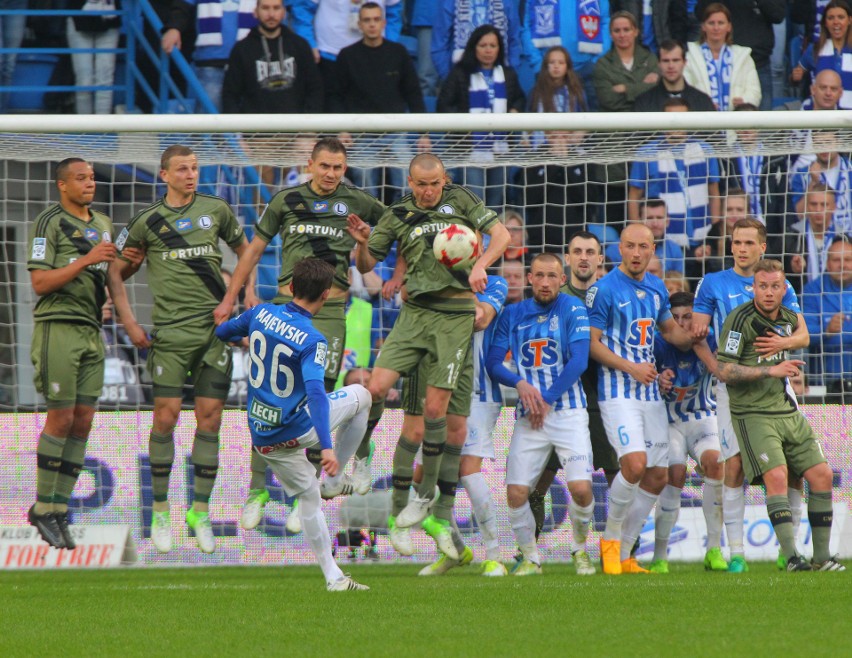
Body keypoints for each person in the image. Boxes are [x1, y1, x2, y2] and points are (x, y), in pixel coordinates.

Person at [213, 137, 386, 528]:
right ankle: (258, 490)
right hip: (283, 305)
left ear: (345, 168)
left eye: (338, 168)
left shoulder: (359, 202)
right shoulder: (286, 200)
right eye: (324, 166)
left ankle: (307, 491)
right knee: (270, 398)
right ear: (310, 163)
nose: (330, 174)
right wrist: (233, 296)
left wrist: (366, 249)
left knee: (316, 399)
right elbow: (253, 250)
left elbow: (377, 250)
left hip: (330, 309)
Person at [347, 153, 510, 558]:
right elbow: (370, 262)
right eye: (420, 184)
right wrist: (364, 243)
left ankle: (426, 501)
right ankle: (363, 459)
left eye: (434, 183)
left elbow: (503, 236)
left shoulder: (463, 200)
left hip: (455, 315)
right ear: (409, 181)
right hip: (415, 313)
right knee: (375, 388)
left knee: (442, 417)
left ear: (444, 179)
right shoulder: (399, 211)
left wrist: (481, 266)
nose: (428, 191)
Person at [111, 144, 250, 554]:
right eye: (182, 169)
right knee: (166, 419)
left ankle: (200, 510)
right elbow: (116, 273)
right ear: (164, 174)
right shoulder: (145, 222)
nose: (190, 175)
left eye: (194, 168)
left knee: (210, 420)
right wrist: (130, 322)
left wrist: (240, 299)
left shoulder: (217, 210)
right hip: (170, 335)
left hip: (213, 332)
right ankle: (158, 509)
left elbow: (246, 252)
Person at [216, 257, 372, 590]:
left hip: (264, 437)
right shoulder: (312, 339)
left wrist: (245, 337)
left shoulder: (261, 313)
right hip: (301, 427)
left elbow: (222, 331)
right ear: (328, 294)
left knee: (308, 498)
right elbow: (317, 394)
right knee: (363, 395)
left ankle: (334, 578)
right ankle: (336, 478)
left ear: (290, 286)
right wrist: (327, 449)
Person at [26, 158, 138, 549]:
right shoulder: (48, 223)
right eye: (81, 178)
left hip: (92, 331)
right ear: (62, 185)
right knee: (60, 417)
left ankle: (59, 508)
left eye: (92, 177)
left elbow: (113, 282)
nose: (89, 183)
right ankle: (42, 507)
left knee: (84, 421)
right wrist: (85, 259)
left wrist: (131, 325)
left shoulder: (103, 224)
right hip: (58, 327)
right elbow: (40, 282)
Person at [691, 217, 809, 573]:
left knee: (793, 467)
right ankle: (735, 552)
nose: (741, 249)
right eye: (736, 243)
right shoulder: (712, 283)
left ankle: (789, 549)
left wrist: (783, 344)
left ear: (763, 247)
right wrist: (718, 369)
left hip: (776, 384)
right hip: (736, 388)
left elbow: (802, 335)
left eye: (748, 243)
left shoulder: (777, 283)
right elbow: (698, 334)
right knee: (734, 464)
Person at [716, 259, 845, 572]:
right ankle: (790, 558)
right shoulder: (739, 319)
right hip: (753, 414)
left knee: (822, 475)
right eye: (763, 286)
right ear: (754, 287)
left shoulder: (788, 318)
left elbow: (805, 334)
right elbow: (724, 370)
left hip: (785, 409)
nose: (769, 292)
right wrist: (769, 370)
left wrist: (789, 342)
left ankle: (821, 558)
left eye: (775, 286)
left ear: (784, 287)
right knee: (776, 476)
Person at [586, 223, 696, 575]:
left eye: (643, 247)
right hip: (617, 392)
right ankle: (610, 540)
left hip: (649, 394)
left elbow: (669, 331)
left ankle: (625, 553)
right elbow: (591, 343)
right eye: (630, 246)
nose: (636, 253)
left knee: (657, 475)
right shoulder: (603, 289)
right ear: (620, 248)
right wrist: (632, 367)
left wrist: (699, 336)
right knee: (633, 465)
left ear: (652, 250)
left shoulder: (656, 286)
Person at [483, 253, 594, 576]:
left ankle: (579, 549)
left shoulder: (572, 308)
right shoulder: (511, 314)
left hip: (568, 412)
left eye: (552, 276)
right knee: (516, 492)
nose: (545, 282)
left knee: (582, 489)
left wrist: (545, 398)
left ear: (563, 279)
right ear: (530, 278)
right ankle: (531, 558)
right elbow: (492, 363)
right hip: (528, 415)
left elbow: (579, 361)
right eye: (540, 276)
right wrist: (518, 383)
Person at [405, 274, 508, 577]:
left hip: (478, 393)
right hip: (440, 389)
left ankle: (494, 556)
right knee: (422, 478)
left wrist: (458, 287)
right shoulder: (435, 280)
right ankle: (455, 550)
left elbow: (479, 318)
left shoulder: (495, 283)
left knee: (467, 470)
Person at [651, 292, 726, 573]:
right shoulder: (657, 344)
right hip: (666, 421)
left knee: (716, 464)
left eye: (688, 317)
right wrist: (657, 380)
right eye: (676, 318)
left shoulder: (709, 341)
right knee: (675, 475)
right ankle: (660, 556)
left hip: (701, 417)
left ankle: (714, 550)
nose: (682, 323)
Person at [336, 2, 428, 201]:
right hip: (361, 134)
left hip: (396, 133)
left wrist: (424, 134)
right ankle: (370, 229)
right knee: (366, 188)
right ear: (359, 24)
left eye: (376, 19)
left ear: (384, 22)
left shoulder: (398, 53)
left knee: (408, 182)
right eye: (367, 20)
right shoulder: (347, 56)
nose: (372, 24)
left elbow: (413, 94)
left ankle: (404, 225)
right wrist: (343, 129)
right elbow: (337, 96)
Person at [436, 25, 525, 209]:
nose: (488, 50)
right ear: (473, 47)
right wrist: (467, 124)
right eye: (483, 45)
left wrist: (515, 108)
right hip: (470, 149)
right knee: (475, 201)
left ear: (499, 48)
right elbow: (443, 104)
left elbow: (520, 98)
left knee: (496, 202)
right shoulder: (460, 73)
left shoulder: (508, 74)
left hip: (501, 148)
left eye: (493, 45)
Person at [628, 98, 721, 249]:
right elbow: (633, 197)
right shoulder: (646, 153)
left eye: (681, 119)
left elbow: (714, 193)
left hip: (702, 239)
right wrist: (637, 234)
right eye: (671, 119)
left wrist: (715, 235)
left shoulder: (705, 150)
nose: (677, 123)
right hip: (662, 240)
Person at [289, 0, 403, 112]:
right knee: (333, 113)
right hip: (331, 55)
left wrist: (387, 46)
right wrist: (309, 43)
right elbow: (302, 9)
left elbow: (394, 11)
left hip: (375, 57)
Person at [221, 0, 323, 115]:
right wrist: (236, 129)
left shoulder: (300, 46)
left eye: (276, 8)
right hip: (256, 130)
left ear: (284, 12)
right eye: (265, 8)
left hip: (296, 128)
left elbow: (315, 89)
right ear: (255, 12)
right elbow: (230, 94)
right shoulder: (241, 49)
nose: (271, 14)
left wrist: (309, 127)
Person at [161, 0, 258, 111]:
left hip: (248, 61)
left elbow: (274, 8)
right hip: (211, 62)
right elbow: (183, 5)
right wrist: (174, 28)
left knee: (250, 121)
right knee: (208, 121)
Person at [694, 0, 786, 111]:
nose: (716, 26)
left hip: (758, 61)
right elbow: (701, 13)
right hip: (715, 58)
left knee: (761, 124)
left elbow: (777, 15)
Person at [683, 3, 762, 111]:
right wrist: (702, 105)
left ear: (729, 27)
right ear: (703, 27)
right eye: (711, 23)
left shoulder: (743, 56)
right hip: (701, 122)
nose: (716, 28)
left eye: (721, 23)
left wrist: (745, 100)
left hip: (736, 122)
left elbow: (755, 91)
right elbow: (685, 90)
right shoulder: (690, 55)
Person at [802, 235, 852, 400]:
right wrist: (826, 330)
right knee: (829, 426)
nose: (842, 265)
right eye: (837, 260)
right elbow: (803, 334)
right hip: (824, 384)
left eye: (848, 260)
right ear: (828, 263)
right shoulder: (812, 291)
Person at [431, 0, 522, 83]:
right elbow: (439, 45)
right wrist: (450, 80)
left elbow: (514, 41)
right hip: (460, 77)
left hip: (500, 77)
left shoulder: (506, 2)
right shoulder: (450, 2)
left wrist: (510, 77)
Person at [593, 10, 659, 112]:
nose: (622, 35)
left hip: (646, 122)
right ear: (611, 35)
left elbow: (656, 92)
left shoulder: (650, 59)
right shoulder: (603, 64)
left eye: (626, 29)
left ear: (636, 32)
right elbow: (608, 100)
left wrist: (626, 88)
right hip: (616, 123)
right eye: (617, 31)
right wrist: (642, 87)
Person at [793, 0, 852, 111]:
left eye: (840, 17)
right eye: (831, 18)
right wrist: (795, 76)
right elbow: (795, 78)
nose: (836, 22)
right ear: (825, 22)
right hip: (821, 118)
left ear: (849, 20)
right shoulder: (815, 49)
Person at [67, 0, 121, 114]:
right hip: (79, 20)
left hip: (109, 20)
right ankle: (84, 128)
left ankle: (103, 128)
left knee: (104, 80)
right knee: (84, 81)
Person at [632, 39, 716, 112]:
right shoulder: (643, 102)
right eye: (665, 61)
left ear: (684, 62)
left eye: (675, 60)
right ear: (659, 64)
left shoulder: (702, 101)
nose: (671, 66)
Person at [605, 198, 685, 274]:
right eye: (649, 218)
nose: (655, 223)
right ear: (639, 221)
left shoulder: (674, 250)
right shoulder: (616, 249)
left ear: (667, 221)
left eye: (659, 218)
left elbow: (678, 283)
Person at [786, 183, 838, 293]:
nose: (818, 210)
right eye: (814, 204)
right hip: (801, 301)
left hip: (837, 304)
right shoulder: (790, 237)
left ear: (833, 207)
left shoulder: (843, 239)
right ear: (807, 206)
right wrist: (793, 270)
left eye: (824, 205)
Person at [528, 46, 587, 114]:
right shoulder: (536, 93)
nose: (556, 66)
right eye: (552, 62)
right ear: (546, 66)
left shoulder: (577, 92)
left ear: (567, 67)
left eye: (561, 63)